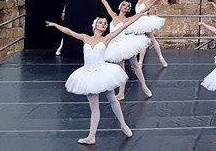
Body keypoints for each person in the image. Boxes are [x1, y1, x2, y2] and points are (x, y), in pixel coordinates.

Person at [45, 11, 150, 145]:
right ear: (95, 25)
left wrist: (141, 14)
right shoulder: (85, 37)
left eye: (105, 23)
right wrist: (55, 25)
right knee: (94, 108)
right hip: (89, 75)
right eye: (101, 22)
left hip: (103, 73)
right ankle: (91, 136)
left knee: (112, 100)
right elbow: (69, 32)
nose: (103, 24)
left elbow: (125, 25)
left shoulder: (106, 39)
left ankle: (123, 125)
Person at [94, 0, 152, 100]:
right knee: (121, 69)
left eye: (128, 6)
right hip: (114, 46)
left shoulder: (127, 19)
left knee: (135, 64)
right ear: (120, 6)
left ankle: (144, 86)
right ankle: (121, 93)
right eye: (124, 5)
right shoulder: (113, 16)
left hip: (125, 44)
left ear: (128, 10)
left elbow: (138, 14)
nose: (126, 7)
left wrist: (145, 11)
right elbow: (106, 4)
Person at [129, 0, 176, 67]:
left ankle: (158, 58)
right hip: (137, 21)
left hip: (145, 21)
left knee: (151, 40)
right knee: (142, 41)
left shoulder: (150, 0)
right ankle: (141, 62)